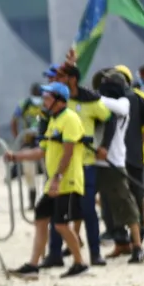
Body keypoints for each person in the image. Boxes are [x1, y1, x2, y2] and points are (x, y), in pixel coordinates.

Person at [5, 82, 89, 278]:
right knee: (41, 217)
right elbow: (41, 151)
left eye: (48, 98)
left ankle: (80, 262)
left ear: (59, 101)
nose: (44, 101)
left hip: (66, 181)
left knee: (60, 224)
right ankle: (33, 265)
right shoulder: (53, 120)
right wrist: (16, 156)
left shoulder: (70, 119)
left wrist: (57, 177)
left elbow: (68, 152)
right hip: (54, 182)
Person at [45, 64, 109, 268]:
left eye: (60, 76)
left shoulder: (89, 101)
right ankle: (55, 254)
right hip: (61, 166)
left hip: (85, 164)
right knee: (57, 213)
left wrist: (103, 145)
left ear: (71, 79)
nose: (56, 79)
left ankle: (95, 253)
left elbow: (110, 118)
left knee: (88, 211)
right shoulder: (56, 101)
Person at [93, 70, 144, 263]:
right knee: (107, 207)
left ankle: (138, 247)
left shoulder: (123, 103)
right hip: (95, 161)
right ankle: (120, 243)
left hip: (114, 161)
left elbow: (114, 106)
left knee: (126, 205)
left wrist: (93, 97)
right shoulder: (99, 104)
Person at [11, 83, 45, 208]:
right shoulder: (24, 104)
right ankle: (32, 201)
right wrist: (18, 138)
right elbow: (14, 120)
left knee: (47, 171)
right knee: (29, 173)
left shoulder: (47, 103)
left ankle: (46, 200)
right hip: (28, 142)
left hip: (44, 141)